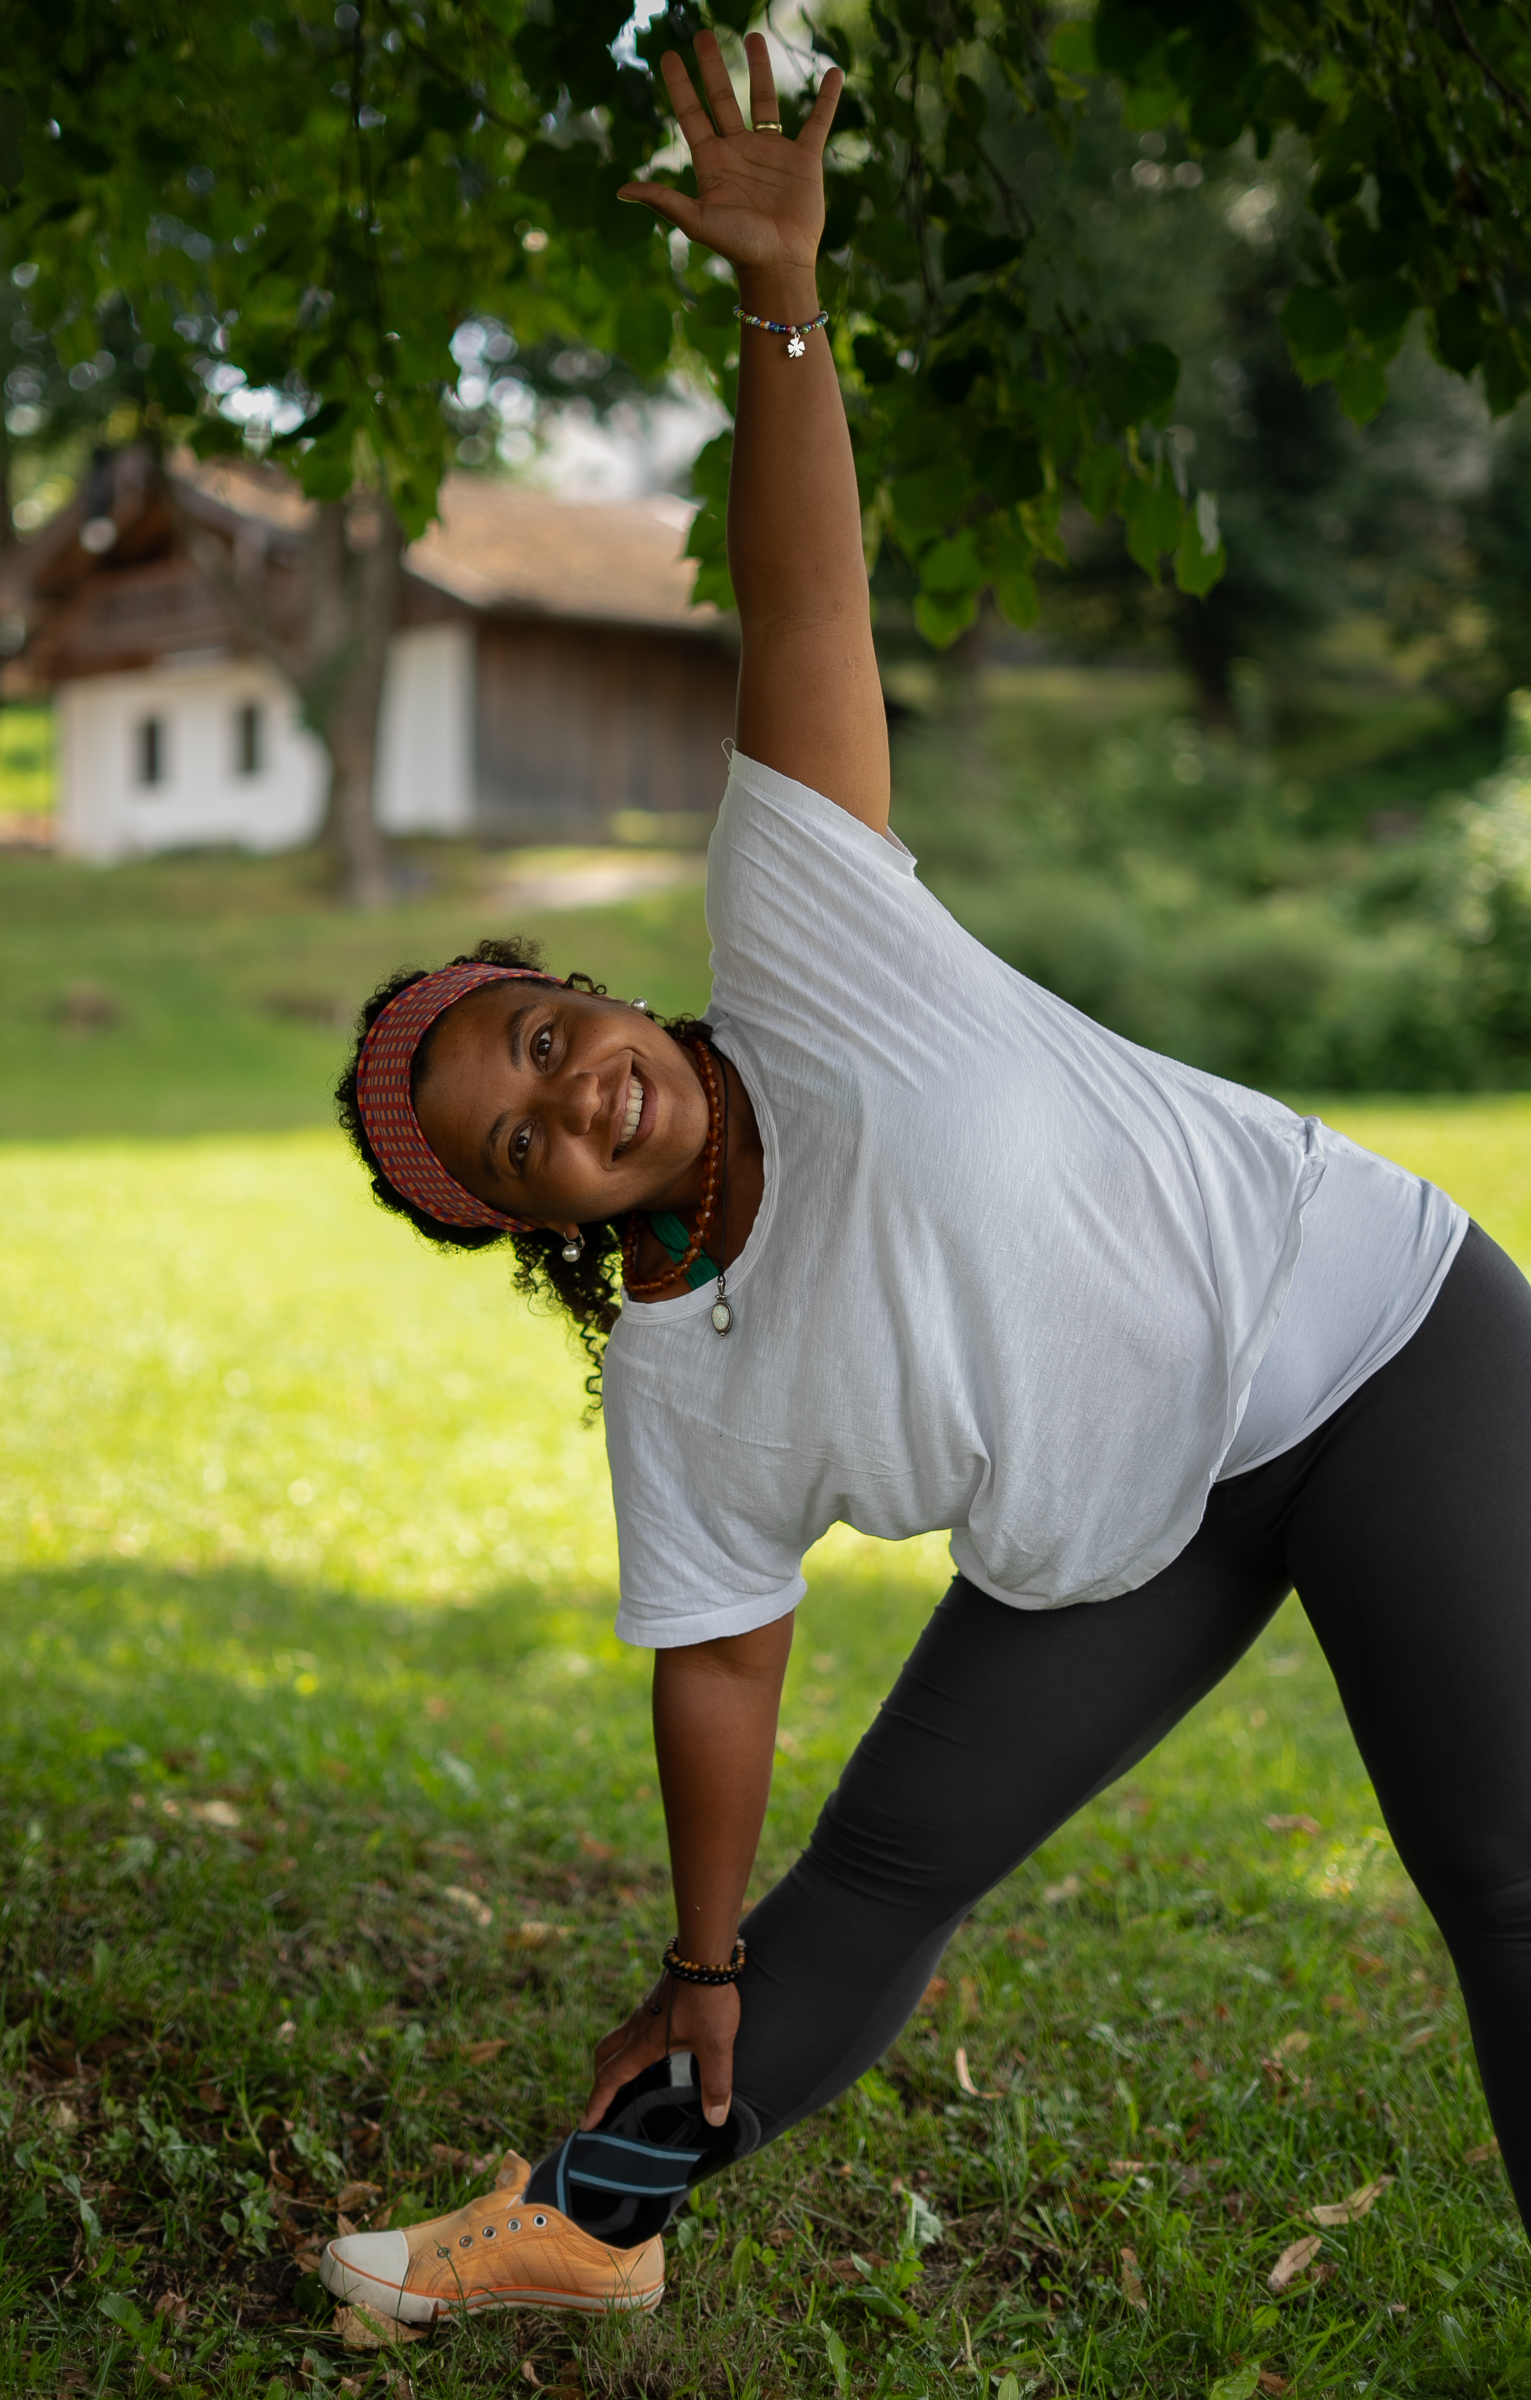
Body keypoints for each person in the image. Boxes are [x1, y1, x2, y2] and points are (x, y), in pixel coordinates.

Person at [321, 30, 1531, 2329]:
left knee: (1498, 1862)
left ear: (585, 996)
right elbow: (718, 1671)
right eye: (515, 1146)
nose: (569, 1100)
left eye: (544, 1038)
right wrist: (697, 1957)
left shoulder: (802, 933)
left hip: (1370, 1344)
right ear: (532, 1223)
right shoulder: (680, 1381)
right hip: (1124, 1534)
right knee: (862, 1880)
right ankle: (583, 2229)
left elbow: (803, 616)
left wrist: (781, 302)